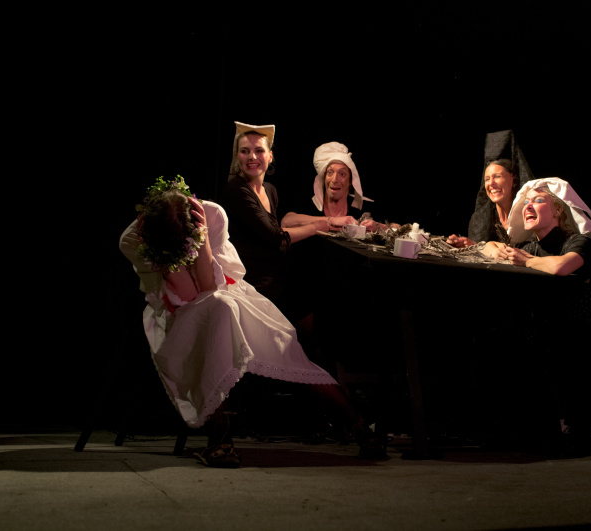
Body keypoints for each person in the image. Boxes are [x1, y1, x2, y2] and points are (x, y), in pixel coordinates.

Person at [121, 176, 385, 467]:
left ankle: (359, 426)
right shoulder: (134, 240)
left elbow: (211, 286)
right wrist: (170, 260)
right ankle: (220, 435)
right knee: (220, 312)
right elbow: (186, 296)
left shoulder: (213, 216)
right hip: (177, 313)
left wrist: (203, 237)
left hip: (229, 295)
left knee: (282, 347)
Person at [483, 177, 591, 456]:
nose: (529, 205)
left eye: (538, 200)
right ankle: (525, 430)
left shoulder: (578, 242)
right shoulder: (530, 247)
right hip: (559, 333)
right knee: (501, 338)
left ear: (558, 211)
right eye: (526, 202)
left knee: (566, 336)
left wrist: (526, 261)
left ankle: (580, 434)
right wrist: (496, 249)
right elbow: (487, 248)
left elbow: (563, 267)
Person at [220, 123, 354, 307]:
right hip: (249, 286)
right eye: (245, 151)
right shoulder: (236, 190)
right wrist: (318, 226)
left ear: (270, 156)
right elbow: (275, 236)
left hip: (274, 282)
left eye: (259, 150)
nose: (252, 156)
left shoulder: (270, 190)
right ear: (237, 156)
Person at [281, 141, 396, 233]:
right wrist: (333, 220)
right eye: (330, 172)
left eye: (342, 174)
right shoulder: (310, 204)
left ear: (350, 181)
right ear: (324, 177)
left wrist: (379, 227)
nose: (335, 180)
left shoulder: (362, 208)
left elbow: (399, 228)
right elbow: (286, 221)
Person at [447, 129, 534, 247]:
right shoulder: (479, 219)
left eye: (497, 176)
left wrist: (481, 248)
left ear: (514, 180)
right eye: (487, 179)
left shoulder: (529, 214)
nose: (491, 183)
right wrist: (466, 245)